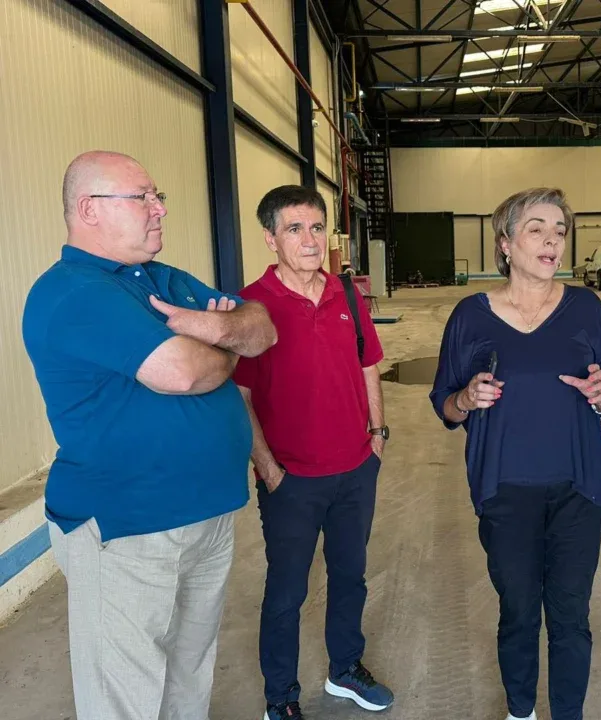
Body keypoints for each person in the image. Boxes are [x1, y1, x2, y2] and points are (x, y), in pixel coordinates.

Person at [21, 150, 278, 720]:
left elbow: (261, 329)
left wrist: (205, 327)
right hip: (128, 526)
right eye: (142, 197)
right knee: (124, 695)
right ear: (89, 209)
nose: (159, 208)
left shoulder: (163, 279)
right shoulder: (74, 292)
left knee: (189, 671)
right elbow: (183, 372)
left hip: (206, 514)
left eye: (157, 196)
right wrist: (222, 343)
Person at [430, 187, 601, 720]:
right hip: (504, 489)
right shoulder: (470, 316)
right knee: (517, 612)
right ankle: (520, 712)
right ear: (505, 243)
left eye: (559, 231)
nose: (551, 241)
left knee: (570, 615)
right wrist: (465, 399)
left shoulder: (586, 308)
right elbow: (444, 403)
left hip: (578, 487)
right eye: (536, 229)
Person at [232, 185, 393, 720]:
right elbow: (240, 395)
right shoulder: (252, 305)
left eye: (317, 227)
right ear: (270, 238)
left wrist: (377, 435)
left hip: (356, 469)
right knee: (286, 592)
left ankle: (344, 669)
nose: (310, 240)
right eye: (295, 229)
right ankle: (280, 697)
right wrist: (267, 467)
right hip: (291, 479)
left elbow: (368, 364)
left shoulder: (346, 294)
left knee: (350, 576)